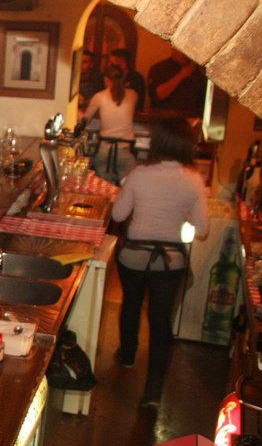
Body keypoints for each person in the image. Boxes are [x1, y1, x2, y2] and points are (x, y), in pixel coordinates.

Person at [112, 118, 208, 408]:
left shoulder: (139, 173)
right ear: (187, 145)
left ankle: (127, 355)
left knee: (131, 303)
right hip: (170, 259)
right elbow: (202, 228)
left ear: (156, 142)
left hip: (134, 255)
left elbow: (118, 215)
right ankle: (153, 391)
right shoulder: (193, 179)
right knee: (160, 319)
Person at [83, 65, 138, 185]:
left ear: (106, 79)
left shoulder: (99, 96)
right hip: (125, 150)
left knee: (103, 187)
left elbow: (84, 120)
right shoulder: (133, 94)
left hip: (104, 150)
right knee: (128, 187)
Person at [147, 48, 206, 115]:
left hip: (190, 117)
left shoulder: (198, 73)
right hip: (163, 117)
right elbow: (158, 95)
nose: (185, 54)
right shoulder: (159, 69)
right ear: (173, 48)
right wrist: (182, 74)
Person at [109, 47, 146, 112]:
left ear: (123, 62)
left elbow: (138, 102)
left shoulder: (136, 78)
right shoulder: (110, 76)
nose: (110, 65)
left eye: (113, 62)